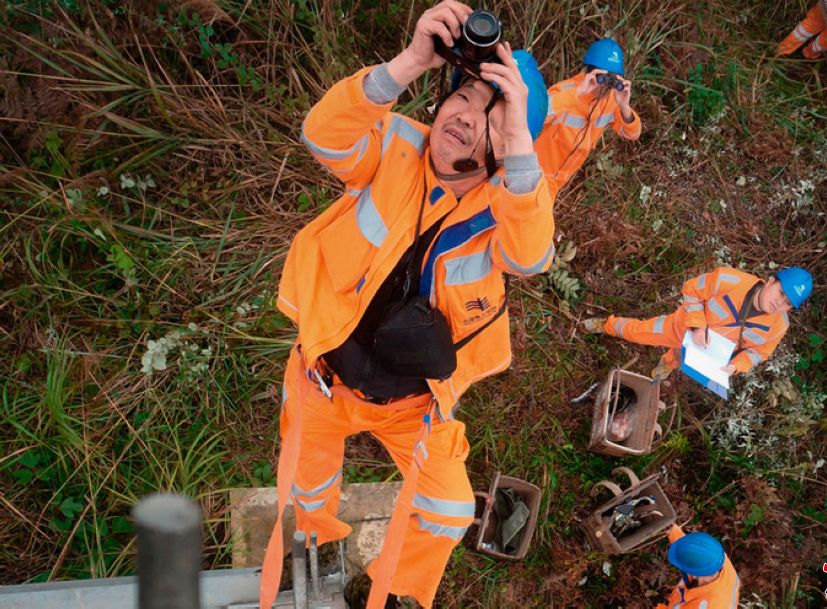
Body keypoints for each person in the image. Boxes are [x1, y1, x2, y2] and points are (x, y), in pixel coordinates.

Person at [258, 2, 554, 608]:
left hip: (412, 408)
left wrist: (519, 143)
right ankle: (317, 547)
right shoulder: (394, 146)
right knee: (309, 489)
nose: (464, 116)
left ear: (509, 146)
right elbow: (323, 134)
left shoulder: (504, 209)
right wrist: (411, 61)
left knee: (448, 511)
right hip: (323, 378)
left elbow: (530, 258)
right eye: (462, 97)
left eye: (491, 116)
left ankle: (390, 591)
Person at [583, 267, 813, 383]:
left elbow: (758, 353)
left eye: (787, 303)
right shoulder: (730, 279)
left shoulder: (779, 326)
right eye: (781, 292)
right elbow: (692, 289)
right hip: (679, 328)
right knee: (638, 331)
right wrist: (698, 326)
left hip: (706, 354)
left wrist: (736, 366)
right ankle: (607, 325)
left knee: (676, 359)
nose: (779, 303)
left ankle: (666, 365)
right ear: (771, 281)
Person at [536, 37, 641, 194]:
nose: (606, 87)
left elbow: (633, 133)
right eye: (603, 78)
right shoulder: (565, 91)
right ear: (590, 72)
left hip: (555, 184)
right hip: (532, 176)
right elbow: (534, 117)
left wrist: (624, 106)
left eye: (612, 79)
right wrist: (578, 93)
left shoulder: (612, 100)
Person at [656, 524, 741, 609]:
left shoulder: (703, 605)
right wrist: (676, 535)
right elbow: (699, 551)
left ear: (694, 574)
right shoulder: (717, 557)